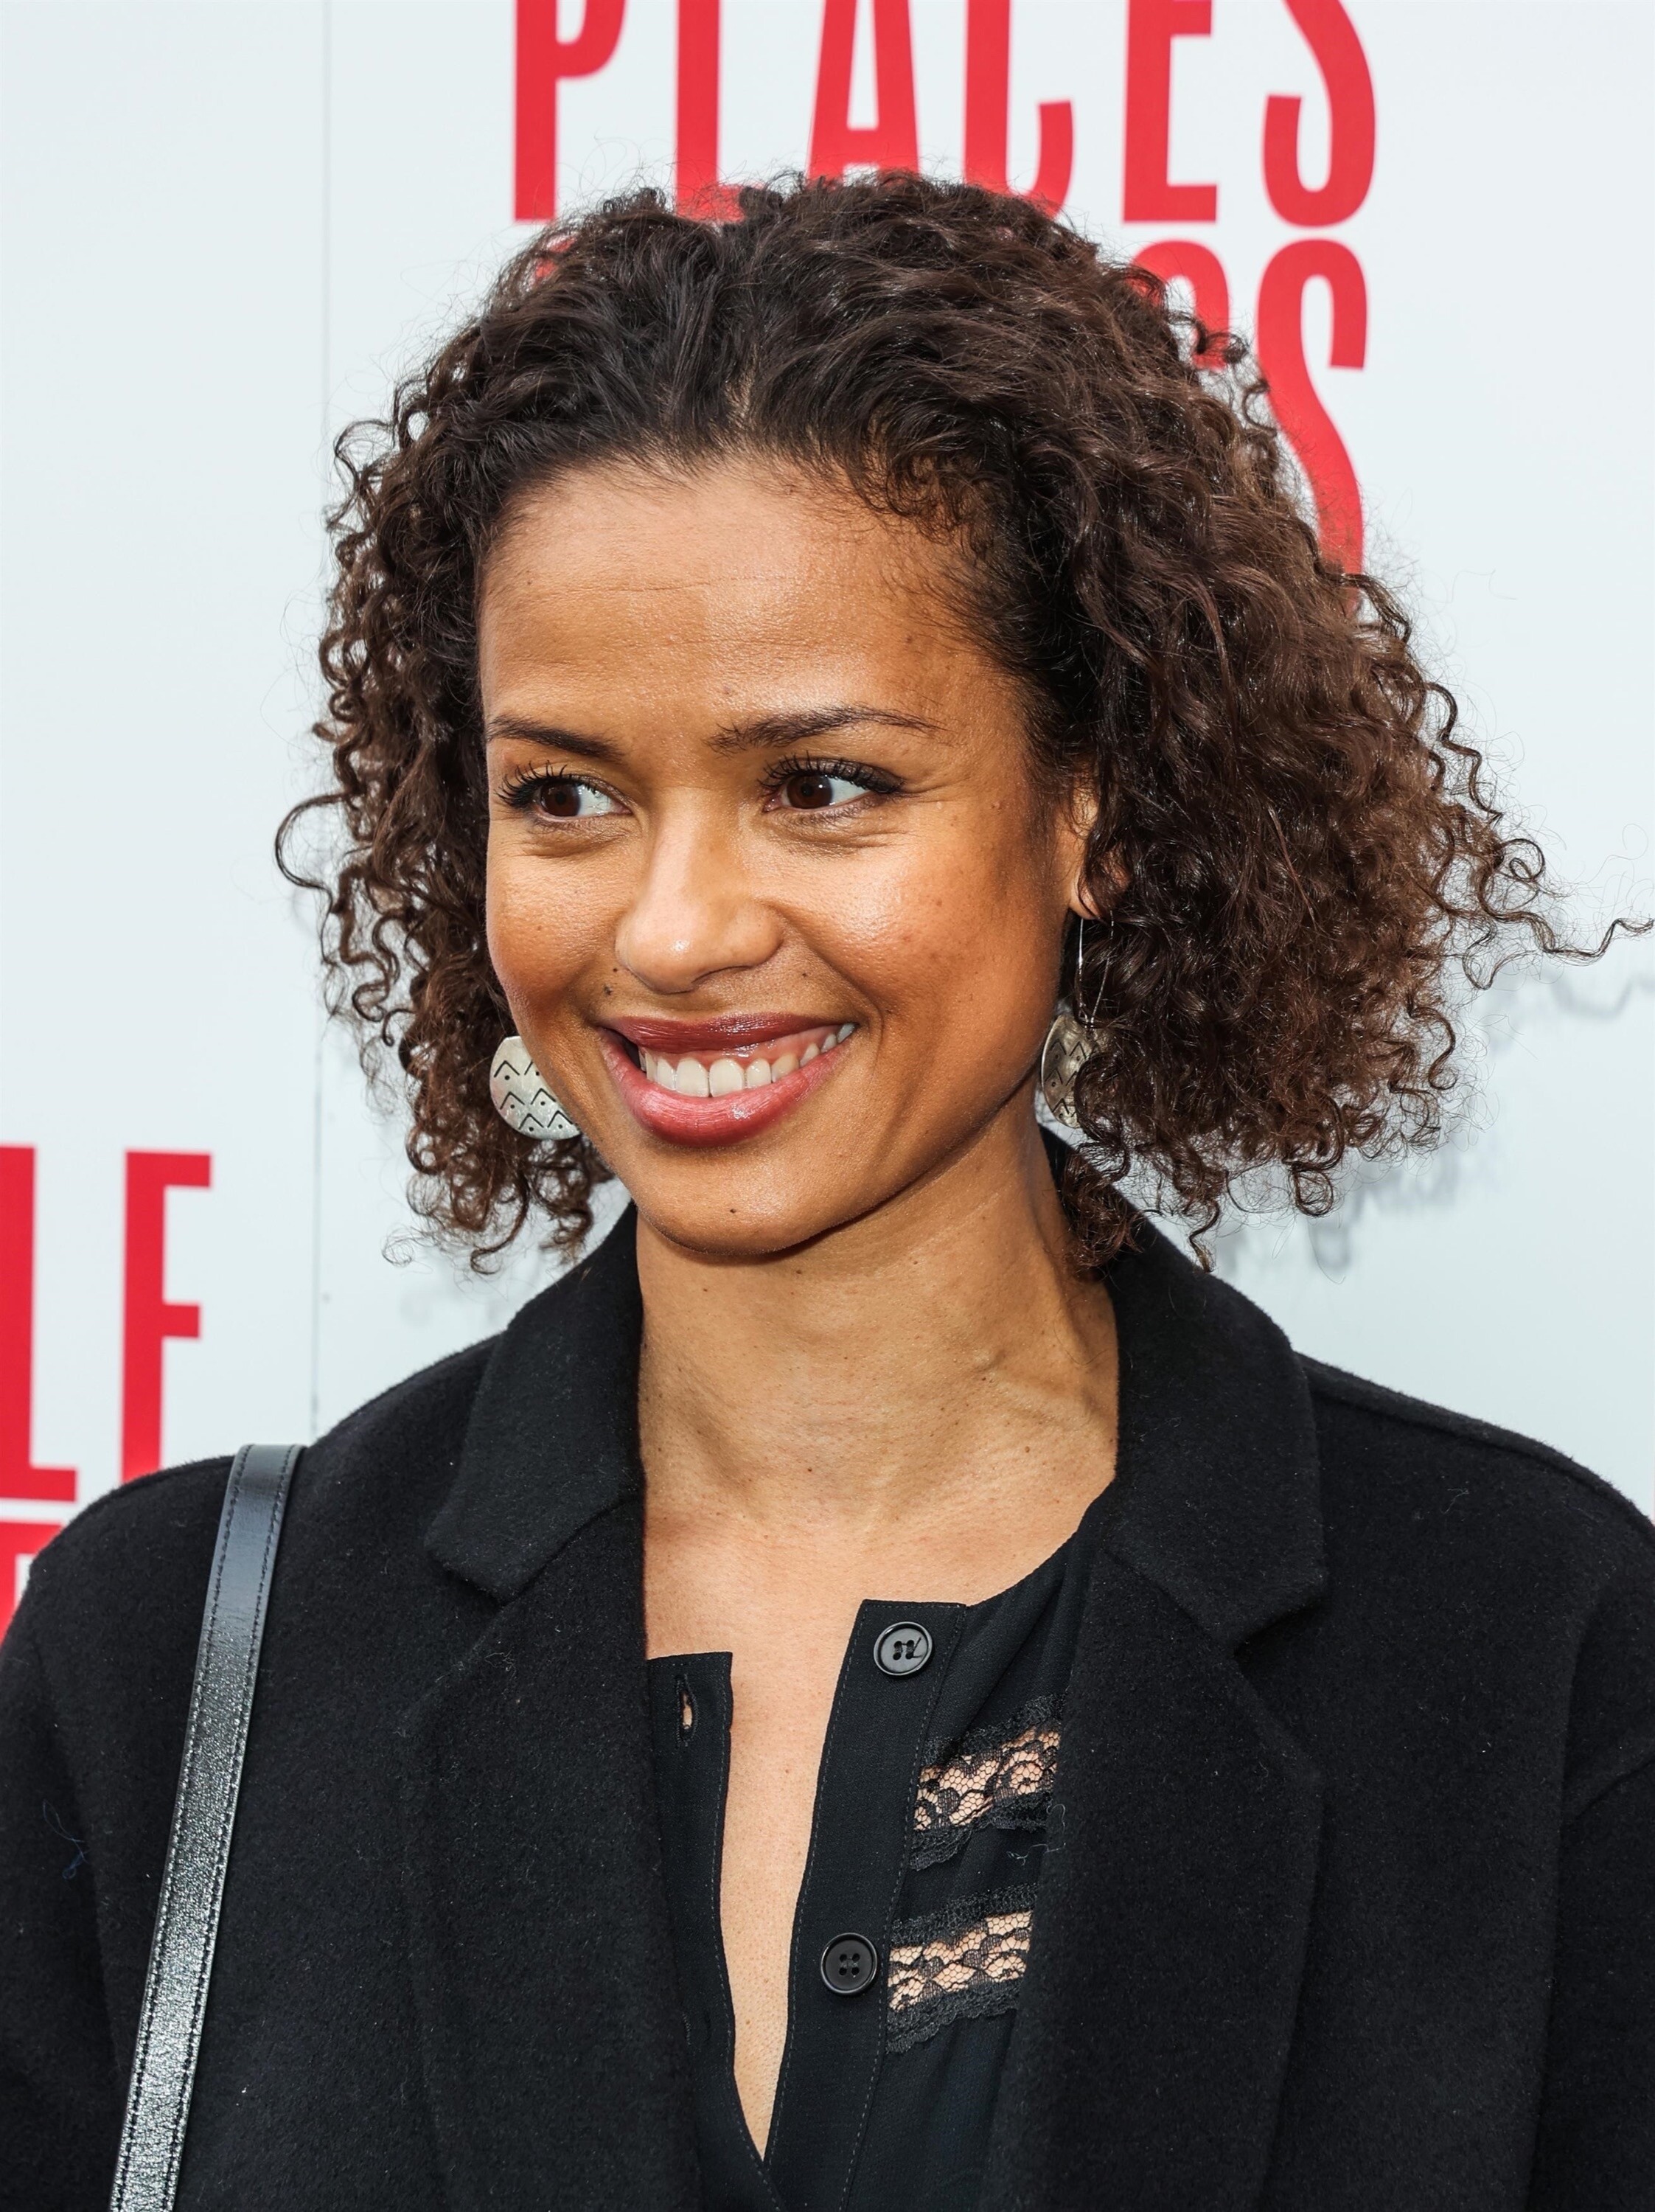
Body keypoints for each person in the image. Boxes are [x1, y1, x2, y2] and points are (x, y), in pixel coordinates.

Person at [1, 174, 1650, 2212]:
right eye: (565, 796)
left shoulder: (1526, 1653)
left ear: (1095, 806)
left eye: (824, 786)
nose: (673, 930)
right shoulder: (169, 1665)